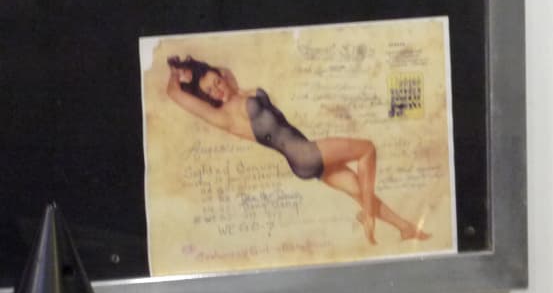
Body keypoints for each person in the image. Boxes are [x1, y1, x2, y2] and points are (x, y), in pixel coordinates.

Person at [165, 55, 430, 244]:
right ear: (206, 97)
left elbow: (221, 74)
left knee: (362, 191)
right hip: (306, 154)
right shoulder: (225, 117)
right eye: (210, 91)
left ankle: (406, 228)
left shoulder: (241, 91)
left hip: (304, 159)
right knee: (367, 149)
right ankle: (369, 217)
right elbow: (175, 94)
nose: (217, 91)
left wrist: (193, 68)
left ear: (222, 76)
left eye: (217, 83)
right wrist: (176, 74)